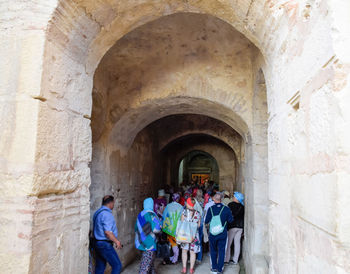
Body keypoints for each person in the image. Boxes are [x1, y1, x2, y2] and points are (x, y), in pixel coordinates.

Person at [93, 195, 122, 274]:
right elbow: (108, 232)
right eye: (113, 203)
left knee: (100, 267)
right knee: (117, 265)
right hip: (104, 245)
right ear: (110, 203)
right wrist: (117, 241)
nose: (113, 205)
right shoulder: (107, 214)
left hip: (97, 243)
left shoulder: (97, 212)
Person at [205, 193, 233, 274]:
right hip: (222, 233)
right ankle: (220, 269)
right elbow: (230, 220)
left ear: (214, 199)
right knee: (221, 251)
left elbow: (206, 221)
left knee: (213, 250)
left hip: (212, 234)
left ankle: (214, 268)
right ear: (221, 199)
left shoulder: (210, 209)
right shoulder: (226, 209)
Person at [135, 197, 162, 274]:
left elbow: (135, 228)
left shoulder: (140, 214)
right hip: (149, 243)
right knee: (145, 267)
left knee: (150, 264)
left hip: (140, 242)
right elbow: (156, 229)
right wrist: (160, 226)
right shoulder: (152, 214)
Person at [180, 198, 201, 274]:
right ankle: (191, 270)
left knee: (184, 251)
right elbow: (198, 226)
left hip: (185, 235)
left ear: (188, 203)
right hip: (194, 236)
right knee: (193, 252)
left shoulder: (184, 212)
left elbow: (181, 223)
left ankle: (184, 269)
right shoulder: (198, 213)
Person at [162, 193, 183, 264]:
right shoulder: (181, 207)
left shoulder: (168, 206)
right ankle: (175, 258)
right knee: (175, 244)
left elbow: (164, 217)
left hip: (169, 229)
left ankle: (172, 258)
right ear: (178, 199)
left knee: (171, 243)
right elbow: (182, 218)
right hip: (177, 229)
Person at [225, 191, 245, 265]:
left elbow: (228, 214)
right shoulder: (242, 207)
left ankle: (226, 259)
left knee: (229, 243)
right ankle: (235, 260)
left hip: (232, 226)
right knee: (237, 243)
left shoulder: (230, 205)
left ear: (236, 198)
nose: (233, 197)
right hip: (240, 227)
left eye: (234, 196)